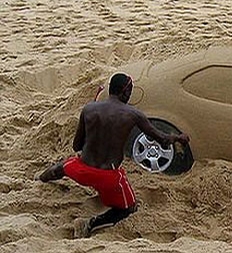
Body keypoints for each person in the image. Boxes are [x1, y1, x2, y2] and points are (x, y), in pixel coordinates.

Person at [36, 73, 190, 238]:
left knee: (59, 168)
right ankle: (91, 223)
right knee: (129, 208)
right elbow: (163, 140)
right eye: (130, 91)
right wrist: (178, 138)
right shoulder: (133, 114)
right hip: (108, 177)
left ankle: (39, 180)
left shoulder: (89, 108)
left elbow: (76, 146)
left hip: (81, 170)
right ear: (125, 92)